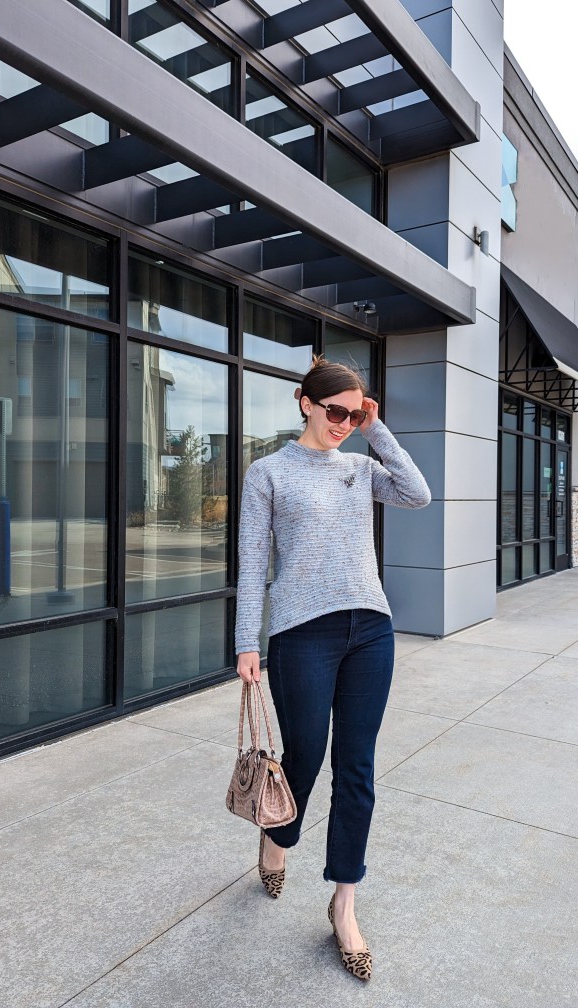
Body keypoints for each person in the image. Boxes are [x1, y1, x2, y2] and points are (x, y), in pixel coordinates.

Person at [235, 355, 431, 981]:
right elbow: (252, 562)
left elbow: (416, 494)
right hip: (301, 634)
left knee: (358, 766)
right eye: (335, 411)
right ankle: (277, 839)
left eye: (355, 412)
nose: (343, 422)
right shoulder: (267, 473)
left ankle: (344, 902)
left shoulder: (361, 465)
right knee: (305, 757)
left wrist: (378, 429)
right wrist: (248, 642)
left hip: (370, 628)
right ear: (305, 402)